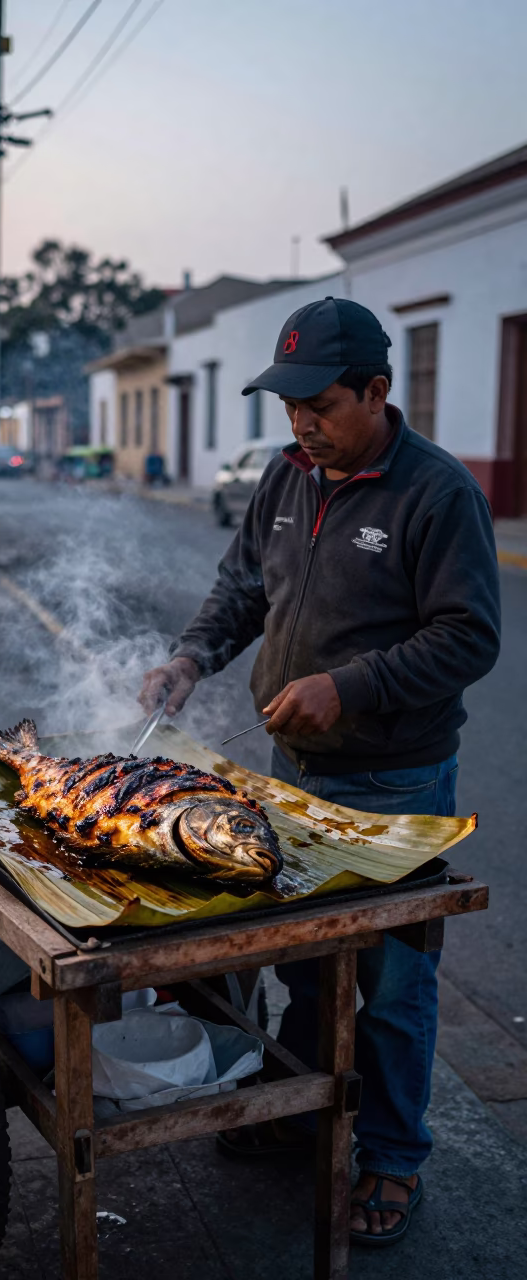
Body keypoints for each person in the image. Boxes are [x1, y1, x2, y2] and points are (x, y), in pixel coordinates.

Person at [139, 297, 500, 1247]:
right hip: (289, 769)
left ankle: (389, 1158)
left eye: (320, 404)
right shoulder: (288, 476)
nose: (300, 422)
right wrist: (190, 658)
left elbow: (470, 637)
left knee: (393, 988)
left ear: (376, 392)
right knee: (298, 959)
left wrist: (351, 686)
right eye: (288, 402)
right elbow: (241, 590)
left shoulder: (438, 493)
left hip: (394, 786)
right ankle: (299, 1114)